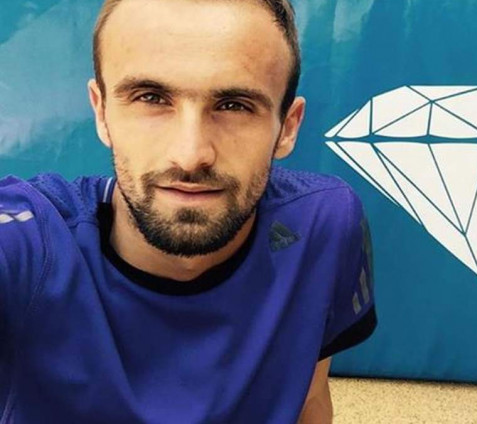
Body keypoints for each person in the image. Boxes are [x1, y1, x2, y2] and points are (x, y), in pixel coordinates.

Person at [0, 0, 377, 422]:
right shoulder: (28, 244)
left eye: (234, 104)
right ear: (102, 112)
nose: (190, 155)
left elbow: (308, 398)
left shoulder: (324, 224)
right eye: (151, 98)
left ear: (287, 127)